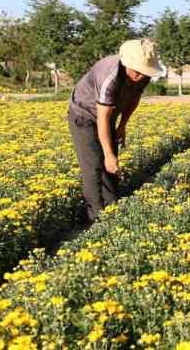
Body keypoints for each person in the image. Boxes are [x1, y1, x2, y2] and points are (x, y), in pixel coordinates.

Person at [68, 38, 165, 223]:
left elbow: (133, 99)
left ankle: (113, 209)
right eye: (137, 71)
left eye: (145, 72)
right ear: (127, 63)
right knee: (94, 164)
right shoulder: (109, 76)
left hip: (109, 116)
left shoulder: (143, 75)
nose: (141, 76)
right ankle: (95, 217)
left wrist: (122, 126)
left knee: (111, 166)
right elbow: (102, 118)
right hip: (84, 114)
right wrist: (108, 153)